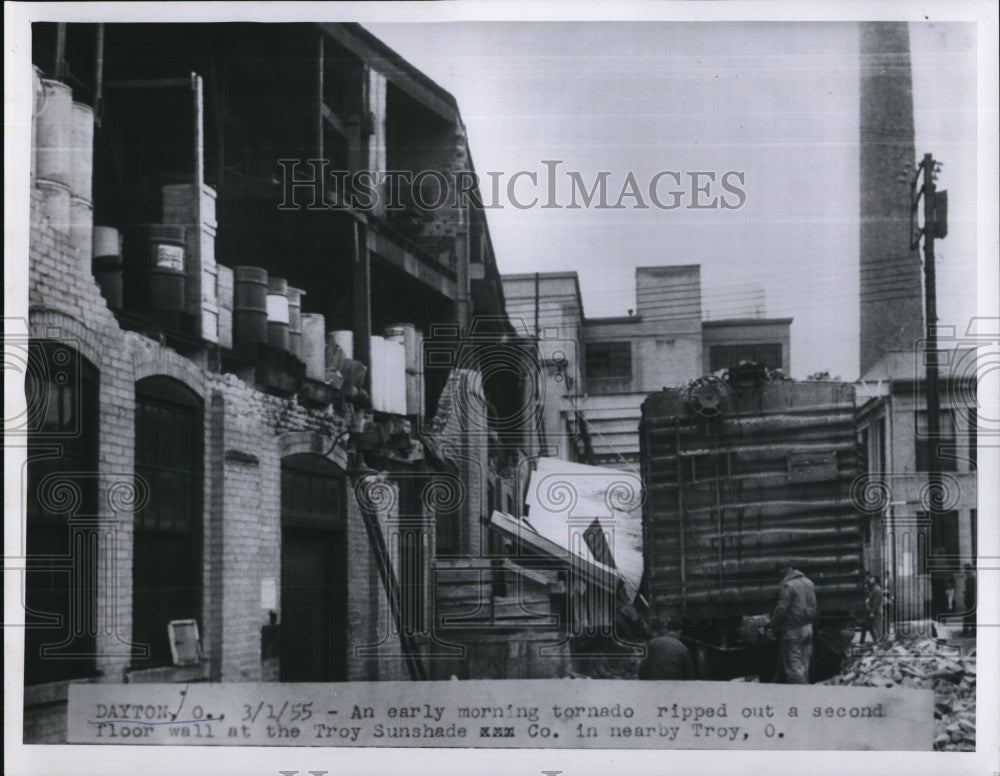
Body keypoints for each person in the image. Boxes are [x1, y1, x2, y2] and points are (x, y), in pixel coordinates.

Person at [769, 563, 817, 684]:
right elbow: (814, 606)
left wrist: (772, 624)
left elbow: (781, 609)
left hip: (794, 630)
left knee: (793, 667)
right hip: (808, 628)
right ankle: (806, 689)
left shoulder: (788, 585)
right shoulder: (809, 582)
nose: (779, 575)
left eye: (779, 572)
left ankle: (799, 693)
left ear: (783, 570)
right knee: (804, 664)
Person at [859, 573, 883, 644]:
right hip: (869, 611)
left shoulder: (877, 590)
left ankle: (878, 640)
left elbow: (876, 603)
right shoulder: (873, 589)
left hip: (874, 612)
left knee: (875, 626)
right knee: (866, 625)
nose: (870, 580)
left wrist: (872, 612)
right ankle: (863, 641)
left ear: (875, 581)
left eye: (872, 579)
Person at [962, 563, 976, 637]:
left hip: (970, 600)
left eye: (963, 569)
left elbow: (969, 590)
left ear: (966, 569)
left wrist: (965, 594)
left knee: (971, 616)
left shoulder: (970, 578)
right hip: (972, 599)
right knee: (968, 616)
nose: (963, 570)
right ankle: (966, 631)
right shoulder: (972, 576)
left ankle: (972, 632)